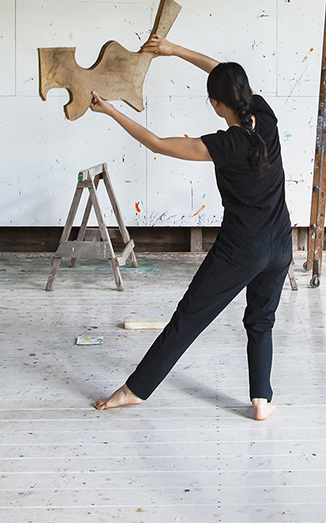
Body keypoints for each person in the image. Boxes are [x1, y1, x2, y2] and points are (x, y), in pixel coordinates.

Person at [89, 34, 292, 421]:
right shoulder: (264, 116)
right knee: (261, 320)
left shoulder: (224, 144)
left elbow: (156, 143)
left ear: (216, 106)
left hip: (241, 249)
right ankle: (261, 400)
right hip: (282, 243)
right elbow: (223, 73)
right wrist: (173, 49)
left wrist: (112, 111)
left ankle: (135, 390)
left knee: (189, 318)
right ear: (245, 92)